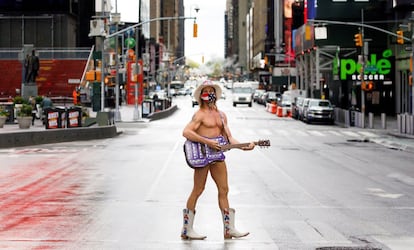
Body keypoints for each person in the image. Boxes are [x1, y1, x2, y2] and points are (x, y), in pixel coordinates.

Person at [181, 80, 255, 240]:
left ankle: (229, 229)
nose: (209, 94)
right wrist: (207, 141)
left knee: (224, 190)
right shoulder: (199, 114)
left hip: (218, 156)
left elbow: (229, 138)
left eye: (211, 90)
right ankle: (187, 229)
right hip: (203, 156)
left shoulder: (222, 115)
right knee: (198, 190)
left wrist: (243, 146)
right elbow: (186, 132)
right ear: (201, 96)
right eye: (205, 91)